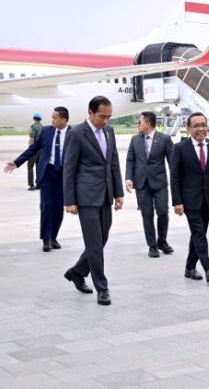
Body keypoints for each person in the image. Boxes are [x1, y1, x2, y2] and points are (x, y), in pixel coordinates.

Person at [62, 96, 124, 306]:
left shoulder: (109, 131)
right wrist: (69, 200)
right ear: (90, 113)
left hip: (106, 194)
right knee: (95, 243)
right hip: (86, 196)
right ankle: (102, 288)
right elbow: (69, 169)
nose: (105, 120)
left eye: (108, 116)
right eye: (101, 116)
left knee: (102, 239)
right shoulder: (77, 133)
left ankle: (77, 272)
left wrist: (118, 192)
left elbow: (113, 162)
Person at [171, 112, 209, 283]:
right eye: (196, 126)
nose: (201, 129)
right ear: (188, 129)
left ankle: (189, 268)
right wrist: (177, 202)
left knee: (197, 234)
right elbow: (175, 178)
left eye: (203, 125)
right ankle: (208, 268)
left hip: (207, 199)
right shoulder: (180, 148)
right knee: (199, 233)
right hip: (189, 200)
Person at [4, 107, 70, 251]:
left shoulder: (73, 134)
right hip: (47, 172)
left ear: (64, 119)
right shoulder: (46, 131)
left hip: (63, 175)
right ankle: (46, 240)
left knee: (58, 208)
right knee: (46, 206)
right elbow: (32, 149)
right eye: (52, 117)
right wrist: (16, 162)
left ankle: (53, 237)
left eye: (55, 118)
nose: (52, 120)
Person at [125, 111, 175, 258]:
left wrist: (177, 181)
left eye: (139, 122)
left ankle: (162, 241)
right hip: (141, 184)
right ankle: (152, 246)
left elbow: (172, 161)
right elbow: (130, 160)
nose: (137, 125)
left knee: (163, 212)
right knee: (147, 215)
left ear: (147, 123)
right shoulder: (135, 139)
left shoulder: (165, 139)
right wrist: (129, 178)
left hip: (159, 183)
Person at [27, 113, 43, 190]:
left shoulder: (33, 127)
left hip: (35, 149)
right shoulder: (43, 127)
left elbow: (32, 139)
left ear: (34, 118)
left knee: (30, 166)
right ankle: (39, 184)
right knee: (38, 167)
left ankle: (31, 185)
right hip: (41, 149)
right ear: (40, 119)